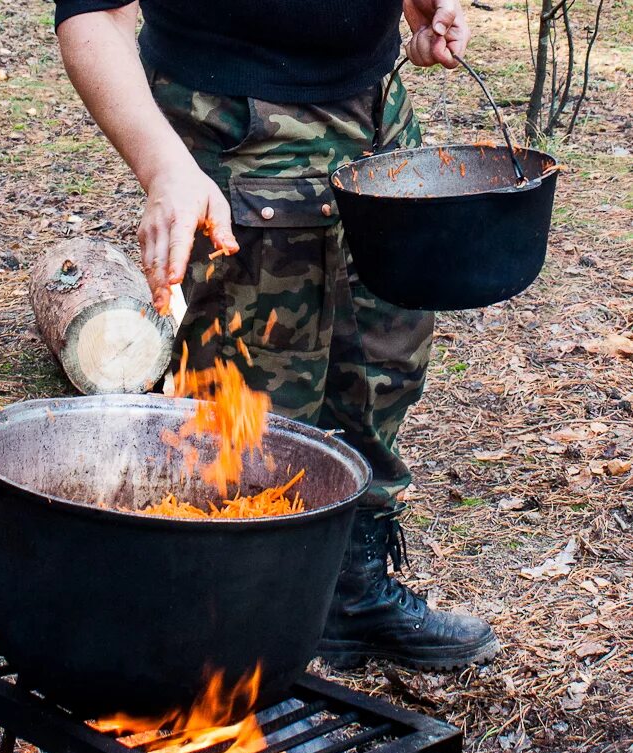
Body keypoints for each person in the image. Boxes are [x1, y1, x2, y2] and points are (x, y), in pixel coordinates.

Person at [53, 0, 500, 671]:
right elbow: (92, 16)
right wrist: (164, 170)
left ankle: (351, 593)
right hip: (240, 130)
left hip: (376, 114)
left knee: (384, 357)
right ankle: (227, 634)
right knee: (257, 400)